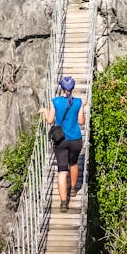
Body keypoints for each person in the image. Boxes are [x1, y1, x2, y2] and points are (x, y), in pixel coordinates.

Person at [41, 75, 86, 212]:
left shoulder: (55, 101)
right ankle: (73, 189)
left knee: (62, 171)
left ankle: (63, 203)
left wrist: (44, 111)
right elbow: (81, 122)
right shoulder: (78, 102)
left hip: (60, 140)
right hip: (75, 140)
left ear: (61, 88)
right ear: (73, 88)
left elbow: (50, 120)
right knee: (73, 163)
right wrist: (82, 107)